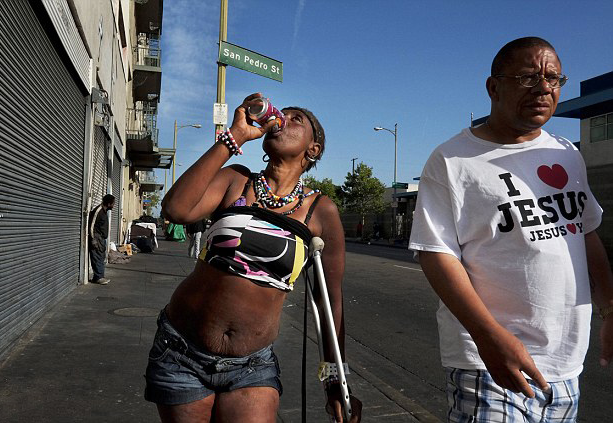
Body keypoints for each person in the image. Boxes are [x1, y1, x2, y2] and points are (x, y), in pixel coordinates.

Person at [409, 37, 613, 422]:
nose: (543, 88)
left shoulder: (566, 154)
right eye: (527, 77)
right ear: (493, 86)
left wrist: (611, 308)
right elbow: (436, 254)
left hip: (566, 364)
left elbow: (586, 234)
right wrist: (487, 337)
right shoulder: (453, 160)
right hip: (488, 364)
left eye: (553, 78)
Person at [144, 93, 362, 422]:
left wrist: (335, 382)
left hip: (251, 367)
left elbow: (330, 306)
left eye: (296, 119)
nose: (283, 119)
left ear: (313, 149)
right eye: (281, 114)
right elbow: (176, 209)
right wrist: (234, 139)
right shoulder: (236, 180)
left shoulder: (321, 211)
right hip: (181, 351)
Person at [89, 194, 115, 285]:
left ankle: (98, 277)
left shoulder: (104, 212)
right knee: (96, 258)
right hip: (97, 238)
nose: (113, 206)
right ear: (108, 204)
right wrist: (93, 239)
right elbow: (91, 226)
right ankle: (99, 277)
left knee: (100, 258)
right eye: (113, 204)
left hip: (101, 239)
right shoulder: (98, 211)